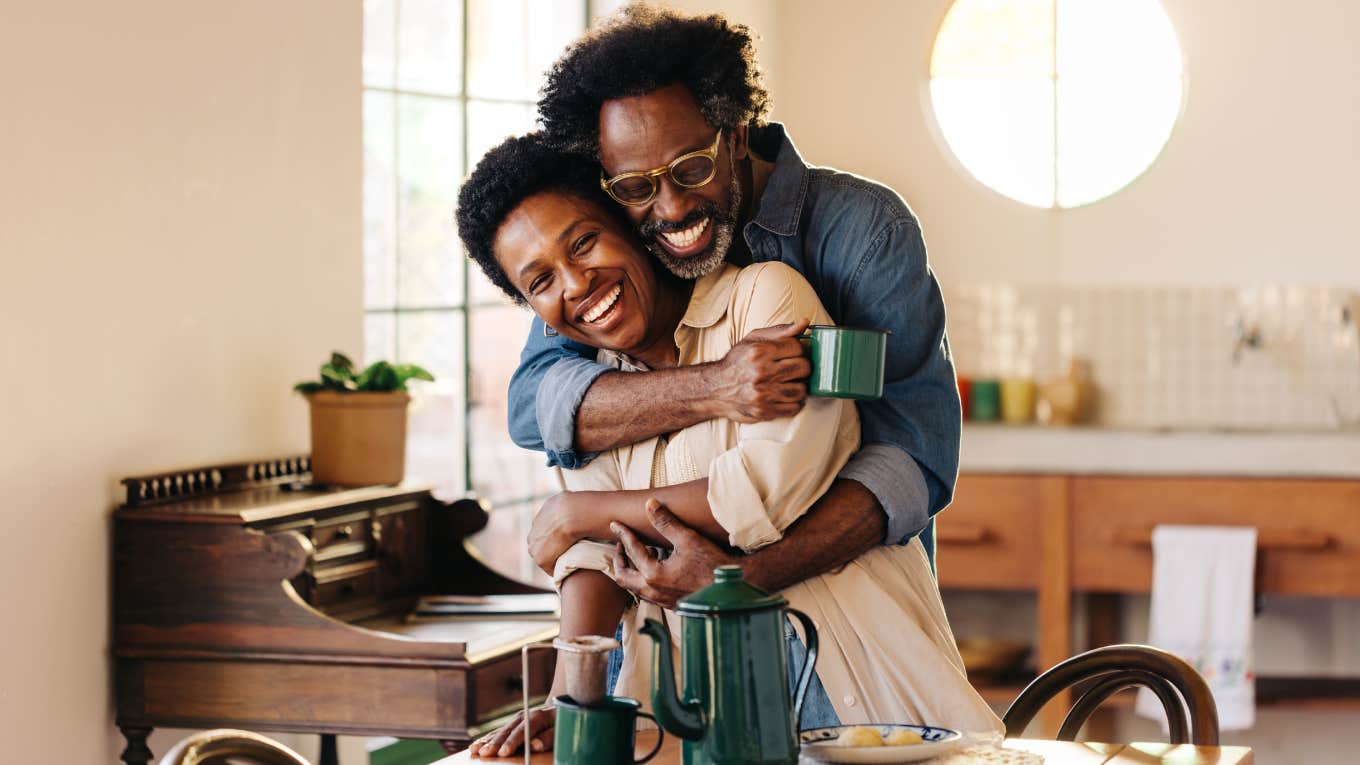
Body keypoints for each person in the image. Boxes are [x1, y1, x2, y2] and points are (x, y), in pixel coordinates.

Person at [455, 134, 999, 758]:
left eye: (583, 242)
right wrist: (568, 697)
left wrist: (583, 512)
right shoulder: (587, 384)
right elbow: (593, 555)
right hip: (687, 714)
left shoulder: (768, 296)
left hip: (847, 674)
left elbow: (761, 494)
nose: (576, 281)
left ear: (630, 225)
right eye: (540, 281)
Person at [509, 6, 963, 617]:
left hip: (848, 630)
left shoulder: (863, 232)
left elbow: (913, 457)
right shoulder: (613, 247)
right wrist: (717, 387)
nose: (671, 209)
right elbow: (535, 408)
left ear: (738, 134)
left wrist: (740, 580)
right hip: (667, 643)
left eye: (692, 168)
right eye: (638, 186)